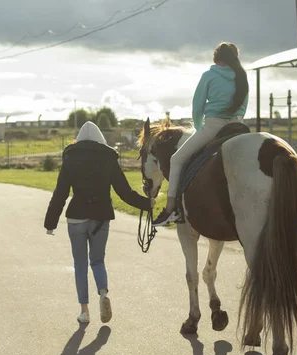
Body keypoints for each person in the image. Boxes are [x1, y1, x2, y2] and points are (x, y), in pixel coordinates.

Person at [44, 121, 154, 324]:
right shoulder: (108, 159)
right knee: (97, 260)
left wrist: (50, 223)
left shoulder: (70, 159)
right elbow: (125, 193)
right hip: (101, 218)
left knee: (80, 264)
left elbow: (60, 193)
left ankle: (84, 311)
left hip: (76, 218)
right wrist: (149, 204)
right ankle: (103, 295)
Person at [152, 42, 249, 226]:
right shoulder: (241, 76)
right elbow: (243, 107)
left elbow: (197, 107)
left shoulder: (209, 75)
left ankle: (171, 209)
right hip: (238, 127)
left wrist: (199, 128)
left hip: (213, 127)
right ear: (235, 57)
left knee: (177, 159)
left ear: (216, 57)